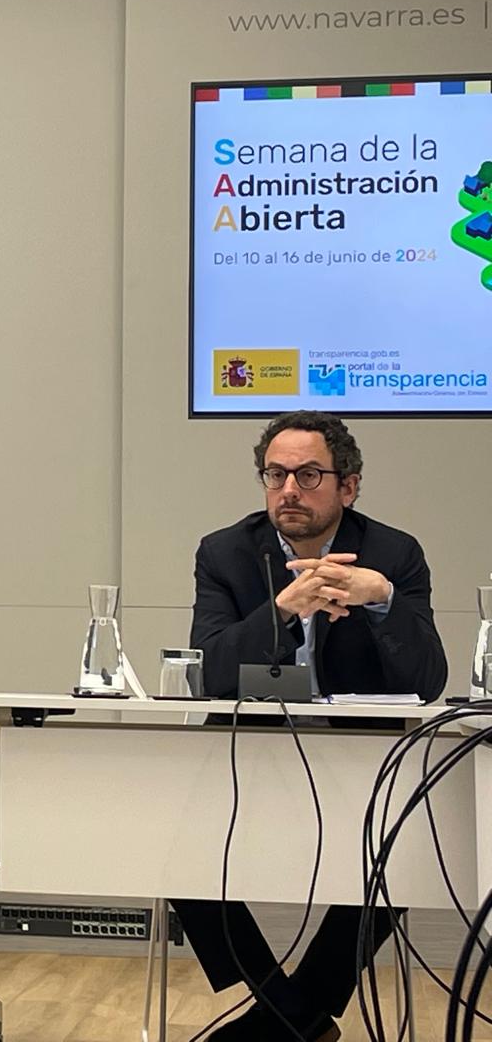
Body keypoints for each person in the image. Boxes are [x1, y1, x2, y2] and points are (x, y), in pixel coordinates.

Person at [175, 410, 447, 1041]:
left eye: (308, 474)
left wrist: (382, 598)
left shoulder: (393, 554)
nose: (288, 490)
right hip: (248, 758)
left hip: (359, 762)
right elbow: (208, 671)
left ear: (348, 487)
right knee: (175, 850)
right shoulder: (225, 553)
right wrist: (282, 612)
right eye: (275, 474)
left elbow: (428, 679)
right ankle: (291, 1016)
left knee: (396, 853)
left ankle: (283, 1021)